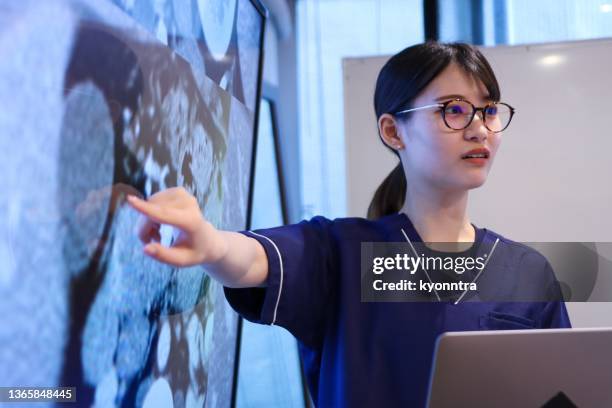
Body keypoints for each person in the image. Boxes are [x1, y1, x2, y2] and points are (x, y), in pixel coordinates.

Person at [126, 42, 571, 407]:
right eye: (454, 110)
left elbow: (565, 391)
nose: (480, 129)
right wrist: (211, 244)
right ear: (394, 132)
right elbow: (252, 260)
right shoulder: (345, 253)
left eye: (489, 110)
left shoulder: (528, 273)